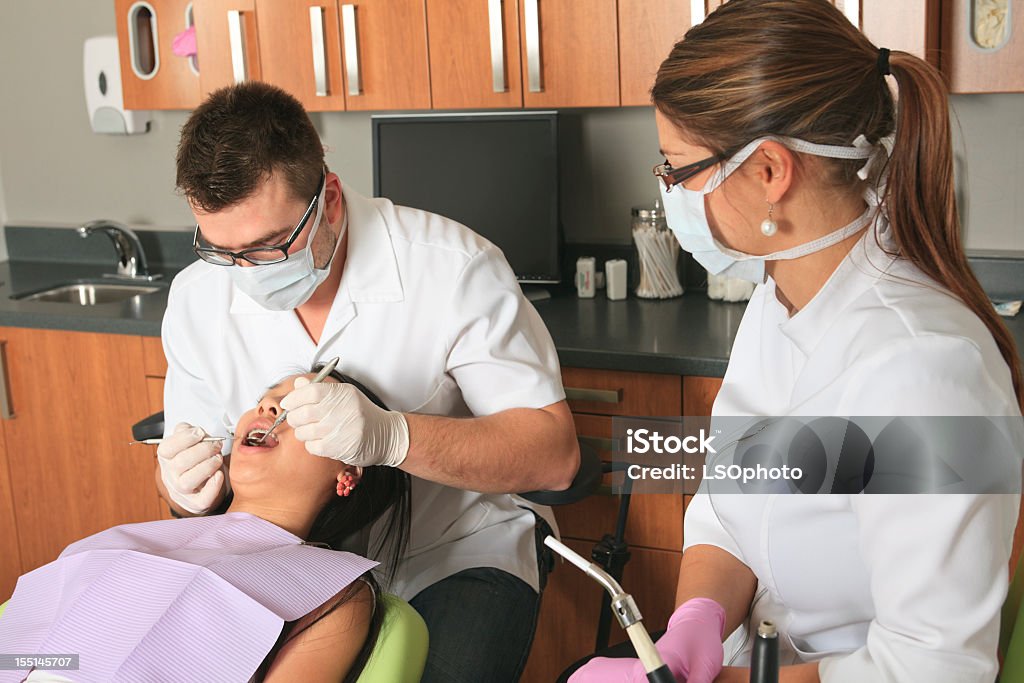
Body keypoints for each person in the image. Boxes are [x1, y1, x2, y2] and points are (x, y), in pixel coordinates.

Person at [571, 0, 1023, 681]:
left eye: (678, 170)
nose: (671, 194)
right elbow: (729, 508)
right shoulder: (777, 303)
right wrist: (696, 621)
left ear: (769, 172)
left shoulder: (926, 368)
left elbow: (936, 667)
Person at [155, 81, 579, 682]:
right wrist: (182, 489)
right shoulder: (199, 299)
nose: (244, 274)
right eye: (223, 252)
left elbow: (554, 456)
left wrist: (393, 439)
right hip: (286, 572)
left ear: (328, 199)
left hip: (452, 553)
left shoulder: (453, 268)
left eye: (270, 246)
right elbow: (191, 477)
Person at [0, 368, 411, 683]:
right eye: (265, 400)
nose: (267, 409)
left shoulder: (336, 593)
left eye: (298, 408)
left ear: (350, 465)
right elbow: (27, 654)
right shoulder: (125, 541)